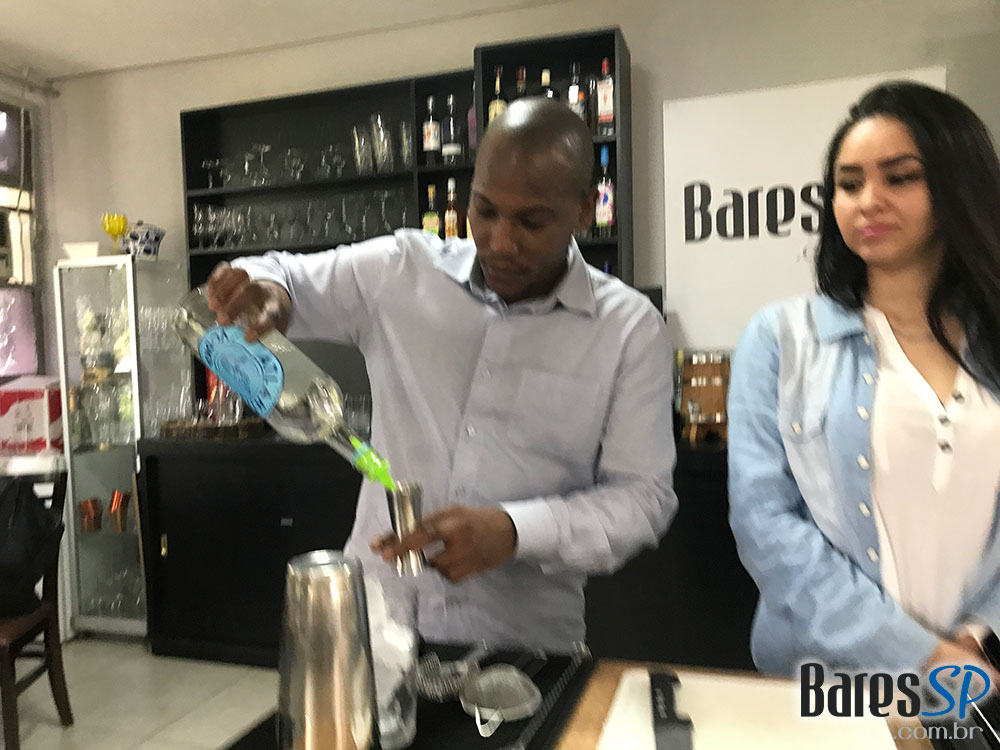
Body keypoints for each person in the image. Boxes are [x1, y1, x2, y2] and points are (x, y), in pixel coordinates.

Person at [206, 98, 677, 651]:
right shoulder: (401, 272)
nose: (500, 242)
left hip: (522, 644)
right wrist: (266, 290)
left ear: (583, 211)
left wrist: (515, 531)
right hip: (375, 628)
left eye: (531, 221)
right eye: (485, 211)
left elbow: (643, 499)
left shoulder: (628, 330)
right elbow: (281, 273)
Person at [728, 81, 1000, 678]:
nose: (868, 201)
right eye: (849, 184)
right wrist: (919, 655)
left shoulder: (991, 342)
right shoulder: (782, 337)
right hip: (827, 678)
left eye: (900, 177)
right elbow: (764, 522)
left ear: (959, 185)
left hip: (975, 675)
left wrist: (977, 641)